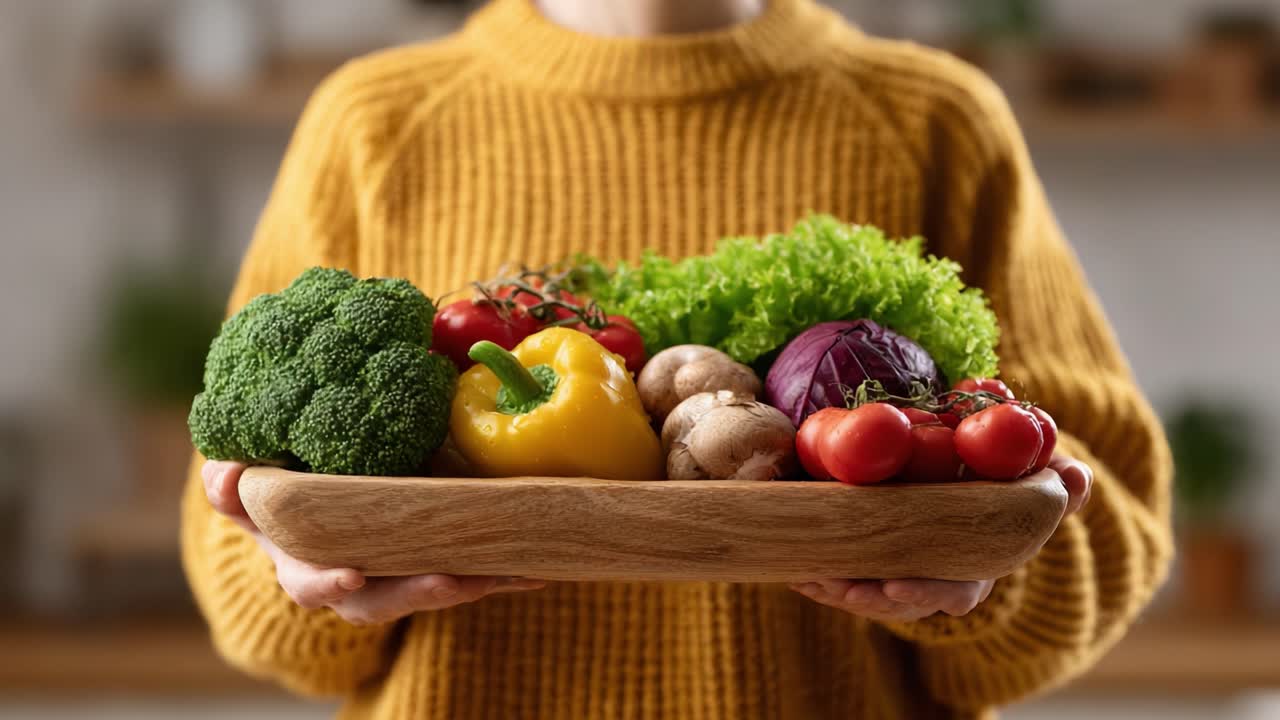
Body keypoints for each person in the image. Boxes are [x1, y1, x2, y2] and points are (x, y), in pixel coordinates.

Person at [184, 0, 1172, 717]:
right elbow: (238, 550)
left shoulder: (932, 119)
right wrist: (312, 577)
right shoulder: (374, 122)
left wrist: (977, 575)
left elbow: (1109, 512)